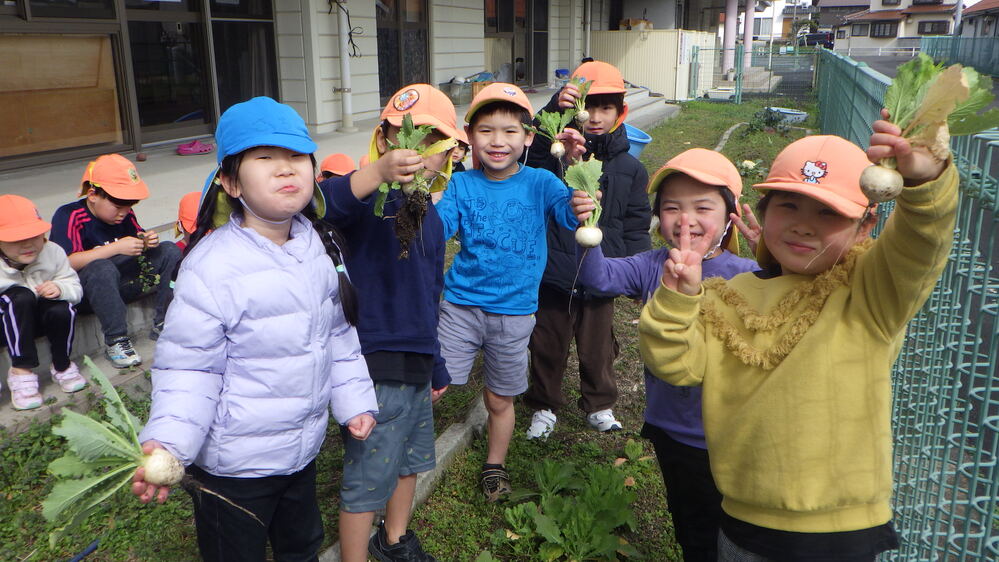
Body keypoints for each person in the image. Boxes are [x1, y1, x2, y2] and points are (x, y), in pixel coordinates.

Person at [638, 117, 958, 560]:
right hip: (742, 520)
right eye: (788, 206)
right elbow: (676, 365)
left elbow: (920, 243)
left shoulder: (870, 291)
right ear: (763, 212)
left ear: (865, 225)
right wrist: (677, 297)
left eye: (828, 212)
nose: (804, 226)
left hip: (841, 532)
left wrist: (924, 184)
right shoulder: (726, 295)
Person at [130, 97, 378, 562]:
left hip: (299, 454)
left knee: (301, 547)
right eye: (265, 158)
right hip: (234, 468)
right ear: (230, 182)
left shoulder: (315, 245)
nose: (285, 168)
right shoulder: (212, 267)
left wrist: (354, 401)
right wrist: (170, 443)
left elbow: (337, 337)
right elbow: (190, 370)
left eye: (297, 156)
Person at [572, 148, 758, 561]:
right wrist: (587, 226)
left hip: (733, 434)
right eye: (672, 207)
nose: (685, 220)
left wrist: (776, 266)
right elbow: (599, 278)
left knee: (737, 530)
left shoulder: (749, 275)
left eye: (702, 208)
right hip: (673, 427)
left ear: (731, 216)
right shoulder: (652, 265)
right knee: (692, 526)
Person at [320, 83, 459, 562]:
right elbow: (322, 205)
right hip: (371, 363)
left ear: (449, 155)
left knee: (410, 459)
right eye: (403, 137)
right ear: (382, 142)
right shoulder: (366, 200)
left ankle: (394, 539)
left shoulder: (432, 218)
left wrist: (436, 363)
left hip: (417, 362)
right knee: (367, 478)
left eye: (430, 142)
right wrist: (376, 174)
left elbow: (431, 293)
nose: (415, 152)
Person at [435, 83, 578, 502]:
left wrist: (579, 178)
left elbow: (572, 219)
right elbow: (437, 231)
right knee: (432, 385)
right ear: (469, 136)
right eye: (486, 131)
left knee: (500, 397)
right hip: (460, 305)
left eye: (510, 131)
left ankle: (495, 465)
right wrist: (425, 191)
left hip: (514, 312)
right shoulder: (462, 185)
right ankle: (406, 450)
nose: (497, 141)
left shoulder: (542, 182)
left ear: (529, 137)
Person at [524, 60, 651, 438]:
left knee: (599, 349)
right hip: (555, 272)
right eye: (587, 106)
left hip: (602, 274)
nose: (595, 117)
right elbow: (528, 155)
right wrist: (553, 110)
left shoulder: (630, 168)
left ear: (620, 112)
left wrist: (638, 273)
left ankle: (599, 404)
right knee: (548, 345)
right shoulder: (554, 158)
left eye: (605, 108)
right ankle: (544, 405)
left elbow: (635, 222)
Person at [49, 154, 182, 366]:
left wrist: (147, 241)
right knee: (101, 267)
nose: (124, 213)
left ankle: (165, 321)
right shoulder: (70, 215)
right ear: (93, 195)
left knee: (169, 250)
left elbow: (137, 238)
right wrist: (116, 248)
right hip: (88, 292)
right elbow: (66, 262)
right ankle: (116, 340)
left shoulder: (125, 215)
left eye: (129, 206)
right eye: (118, 207)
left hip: (124, 282)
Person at [0, 195, 87, 410]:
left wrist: (60, 288)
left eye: (35, 236)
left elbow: (75, 288)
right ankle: (21, 371)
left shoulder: (53, 251)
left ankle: (62, 364)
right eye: (16, 239)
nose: (28, 244)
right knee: (19, 296)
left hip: (40, 317)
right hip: (8, 324)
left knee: (62, 308)